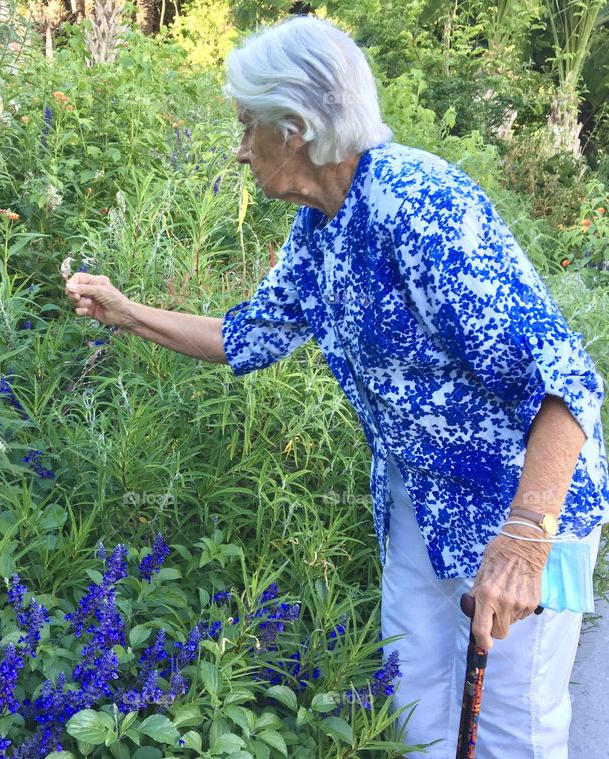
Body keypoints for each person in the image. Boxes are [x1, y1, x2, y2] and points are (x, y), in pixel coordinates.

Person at [64, 14, 609, 759]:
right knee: (415, 708)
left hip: (520, 506)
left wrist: (524, 537)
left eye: (245, 124)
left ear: (294, 129)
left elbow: (567, 378)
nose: (238, 145)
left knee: (511, 731)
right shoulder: (323, 225)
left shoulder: (421, 205)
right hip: (421, 498)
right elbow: (246, 336)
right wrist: (126, 313)